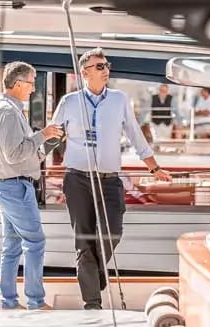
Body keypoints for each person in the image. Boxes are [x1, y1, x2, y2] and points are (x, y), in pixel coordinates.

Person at [51, 47, 172, 310]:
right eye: (99, 66)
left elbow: (135, 135)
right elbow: (52, 136)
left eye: (106, 65)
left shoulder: (119, 99)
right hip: (77, 179)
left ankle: (95, 276)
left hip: (109, 180)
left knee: (112, 232)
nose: (105, 70)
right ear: (84, 72)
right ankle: (92, 302)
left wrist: (154, 168)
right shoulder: (69, 102)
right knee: (84, 241)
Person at [0, 61, 63, 310]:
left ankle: (9, 302)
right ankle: (36, 301)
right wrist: (43, 134)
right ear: (18, 83)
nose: (33, 89)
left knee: (11, 246)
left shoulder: (9, 110)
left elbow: (22, 152)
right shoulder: (8, 112)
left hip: (9, 185)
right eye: (31, 83)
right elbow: (14, 154)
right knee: (35, 242)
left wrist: (45, 144)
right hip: (14, 188)